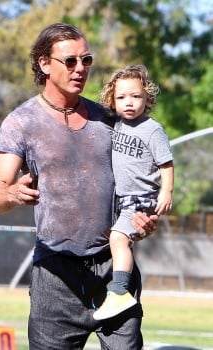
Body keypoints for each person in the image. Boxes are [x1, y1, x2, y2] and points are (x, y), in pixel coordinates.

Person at [0, 23, 158, 350]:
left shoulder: (110, 120)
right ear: (44, 64)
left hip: (113, 272)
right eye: (70, 61)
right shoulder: (21, 122)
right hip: (55, 278)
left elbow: (139, 176)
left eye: (86, 60)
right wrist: (12, 193)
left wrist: (143, 216)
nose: (80, 69)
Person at [93, 65, 174, 321]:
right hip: (123, 199)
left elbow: (166, 164)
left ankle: (119, 292)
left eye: (136, 96)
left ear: (147, 98)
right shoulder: (115, 124)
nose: (129, 102)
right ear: (111, 100)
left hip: (141, 198)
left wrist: (166, 192)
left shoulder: (152, 129)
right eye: (121, 97)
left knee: (118, 238)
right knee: (117, 238)